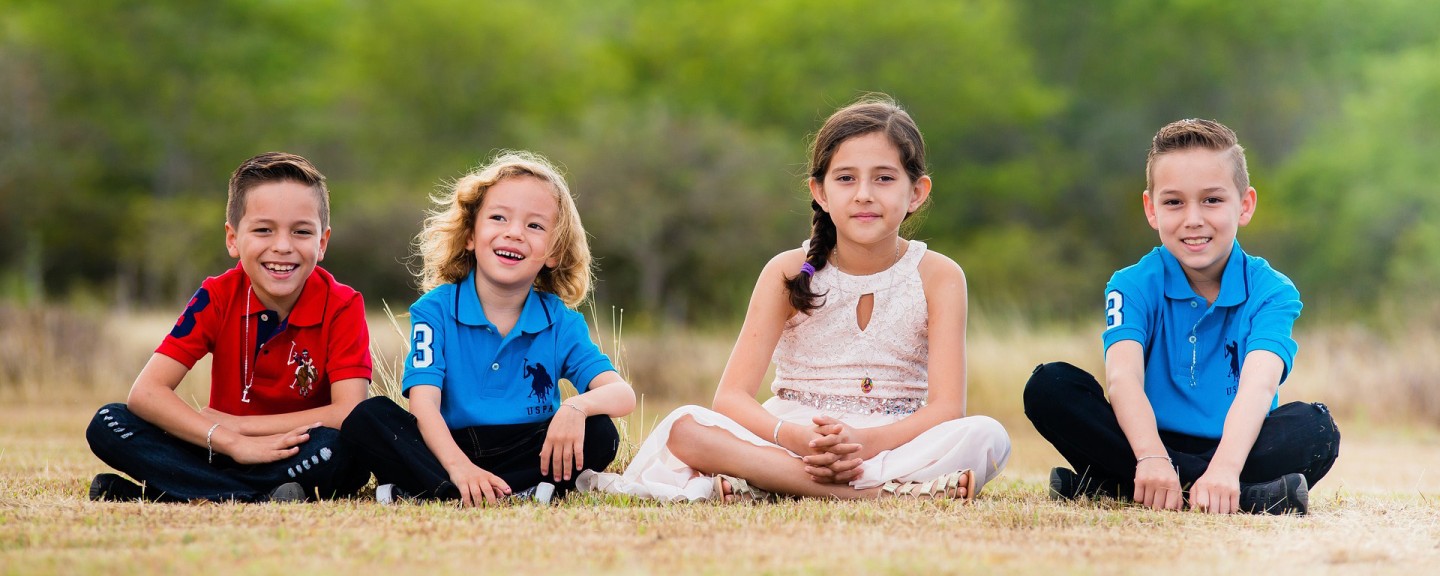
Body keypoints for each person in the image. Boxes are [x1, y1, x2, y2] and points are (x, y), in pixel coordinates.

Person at [579, 95, 1011, 502]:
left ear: (916, 191)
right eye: (846, 178)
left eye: (884, 178)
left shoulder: (939, 276)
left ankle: (772, 482)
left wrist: (863, 443)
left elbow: (947, 409)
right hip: (793, 437)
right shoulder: (788, 270)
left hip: (894, 439)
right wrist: (795, 437)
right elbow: (730, 398)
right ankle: (878, 493)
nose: (864, 193)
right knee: (685, 428)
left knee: (987, 436)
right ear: (820, 192)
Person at [1024, 119, 1341, 515]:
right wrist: (1153, 459)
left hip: (1236, 446)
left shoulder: (1273, 291)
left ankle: (1120, 486)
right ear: (1151, 209)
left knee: (1317, 430)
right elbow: (1123, 380)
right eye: (1174, 202)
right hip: (1142, 442)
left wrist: (1225, 467)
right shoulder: (1131, 284)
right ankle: (1243, 495)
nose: (1193, 219)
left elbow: (1258, 388)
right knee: (1049, 387)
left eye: (1212, 200)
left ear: (1245, 205)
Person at [340, 151, 635, 506]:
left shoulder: (561, 322)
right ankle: (463, 488)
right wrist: (461, 467)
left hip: (526, 448)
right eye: (498, 218)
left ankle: (439, 490)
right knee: (368, 419)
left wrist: (575, 409)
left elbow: (622, 395)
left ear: (553, 252)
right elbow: (424, 407)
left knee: (600, 432)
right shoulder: (434, 311)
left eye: (535, 226)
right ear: (470, 235)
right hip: (447, 446)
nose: (514, 233)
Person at [86, 152, 373, 502]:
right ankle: (249, 497)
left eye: (301, 232)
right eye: (263, 230)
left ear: (322, 242)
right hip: (219, 449)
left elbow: (348, 411)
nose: (282, 246)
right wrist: (230, 441)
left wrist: (243, 427)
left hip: (296, 452)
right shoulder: (217, 296)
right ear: (233, 239)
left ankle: (177, 491)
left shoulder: (342, 305)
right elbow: (146, 393)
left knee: (339, 451)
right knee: (109, 423)